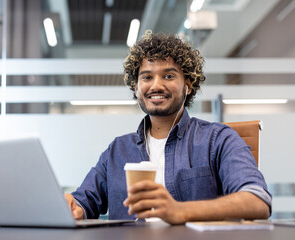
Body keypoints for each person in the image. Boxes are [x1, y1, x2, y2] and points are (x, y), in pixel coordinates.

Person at [65, 30, 271, 224]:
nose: (156, 85)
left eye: (169, 76)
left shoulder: (217, 139)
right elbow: (84, 202)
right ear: (136, 88)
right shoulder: (117, 150)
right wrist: (73, 206)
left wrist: (181, 211)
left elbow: (257, 200)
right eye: (146, 77)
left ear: (188, 85)